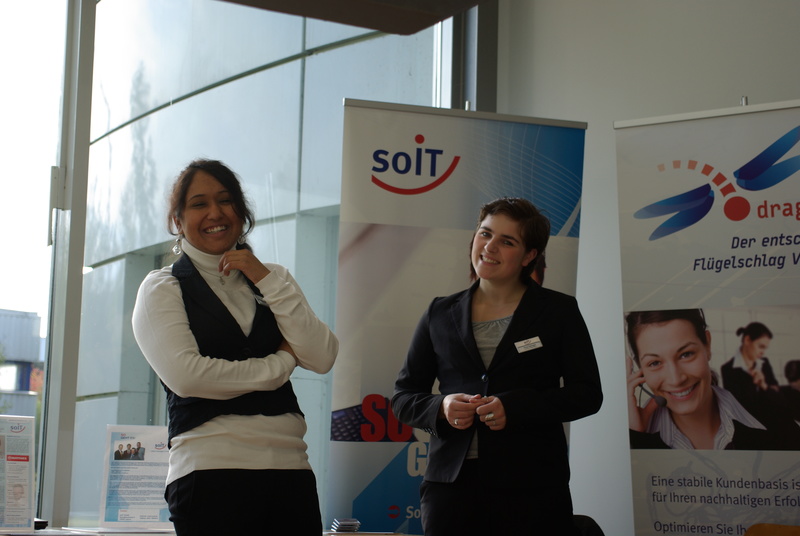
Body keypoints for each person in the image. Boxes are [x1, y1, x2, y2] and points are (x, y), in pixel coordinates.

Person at [132, 158, 338, 536]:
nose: (215, 212)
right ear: (177, 220)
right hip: (209, 471)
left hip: (291, 468)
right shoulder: (162, 287)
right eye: (199, 204)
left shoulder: (273, 278)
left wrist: (263, 276)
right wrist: (281, 363)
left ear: (241, 213)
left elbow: (322, 356)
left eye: (226, 200)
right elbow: (189, 377)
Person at [392, 197, 603, 536]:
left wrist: (516, 407)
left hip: (532, 485)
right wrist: (441, 407)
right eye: (485, 234)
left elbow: (588, 394)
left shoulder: (558, 311)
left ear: (529, 256)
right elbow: (403, 397)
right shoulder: (439, 312)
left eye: (507, 241)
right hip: (451, 487)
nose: (490, 247)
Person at [625, 309, 799, 450]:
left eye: (686, 354)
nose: (676, 379)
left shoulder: (777, 422)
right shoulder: (633, 439)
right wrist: (636, 438)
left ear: (707, 345)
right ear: (640, 370)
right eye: (654, 363)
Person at [720, 322, 779, 422]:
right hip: (749, 426)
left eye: (765, 348)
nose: (763, 352)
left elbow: (777, 396)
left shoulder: (765, 363)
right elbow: (738, 408)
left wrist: (764, 386)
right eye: (761, 346)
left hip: (771, 422)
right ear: (747, 340)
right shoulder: (728, 369)